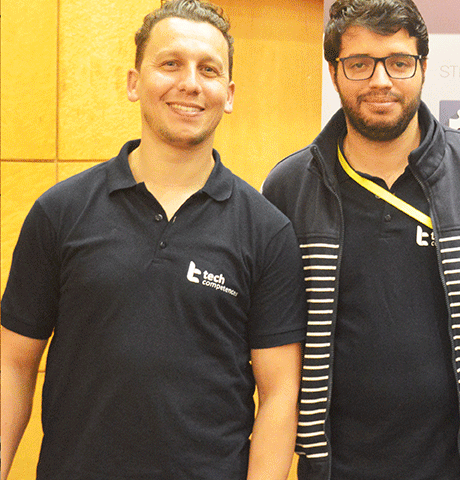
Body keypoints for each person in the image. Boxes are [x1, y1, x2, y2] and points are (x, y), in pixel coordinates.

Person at [0, 1, 306, 479]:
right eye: (170, 64)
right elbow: (13, 365)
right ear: (133, 82)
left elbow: (280, 394)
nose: (190, 83)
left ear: (228, 95)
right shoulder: (60, 212)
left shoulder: (267, 232)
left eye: (208, 69)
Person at [260, 0, 460, 478]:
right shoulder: (289, 188)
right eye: (359, 64)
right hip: (337, 468)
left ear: (423, 67)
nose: (380, 81)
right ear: (334, 72)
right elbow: (270, 338)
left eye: (399, 62)